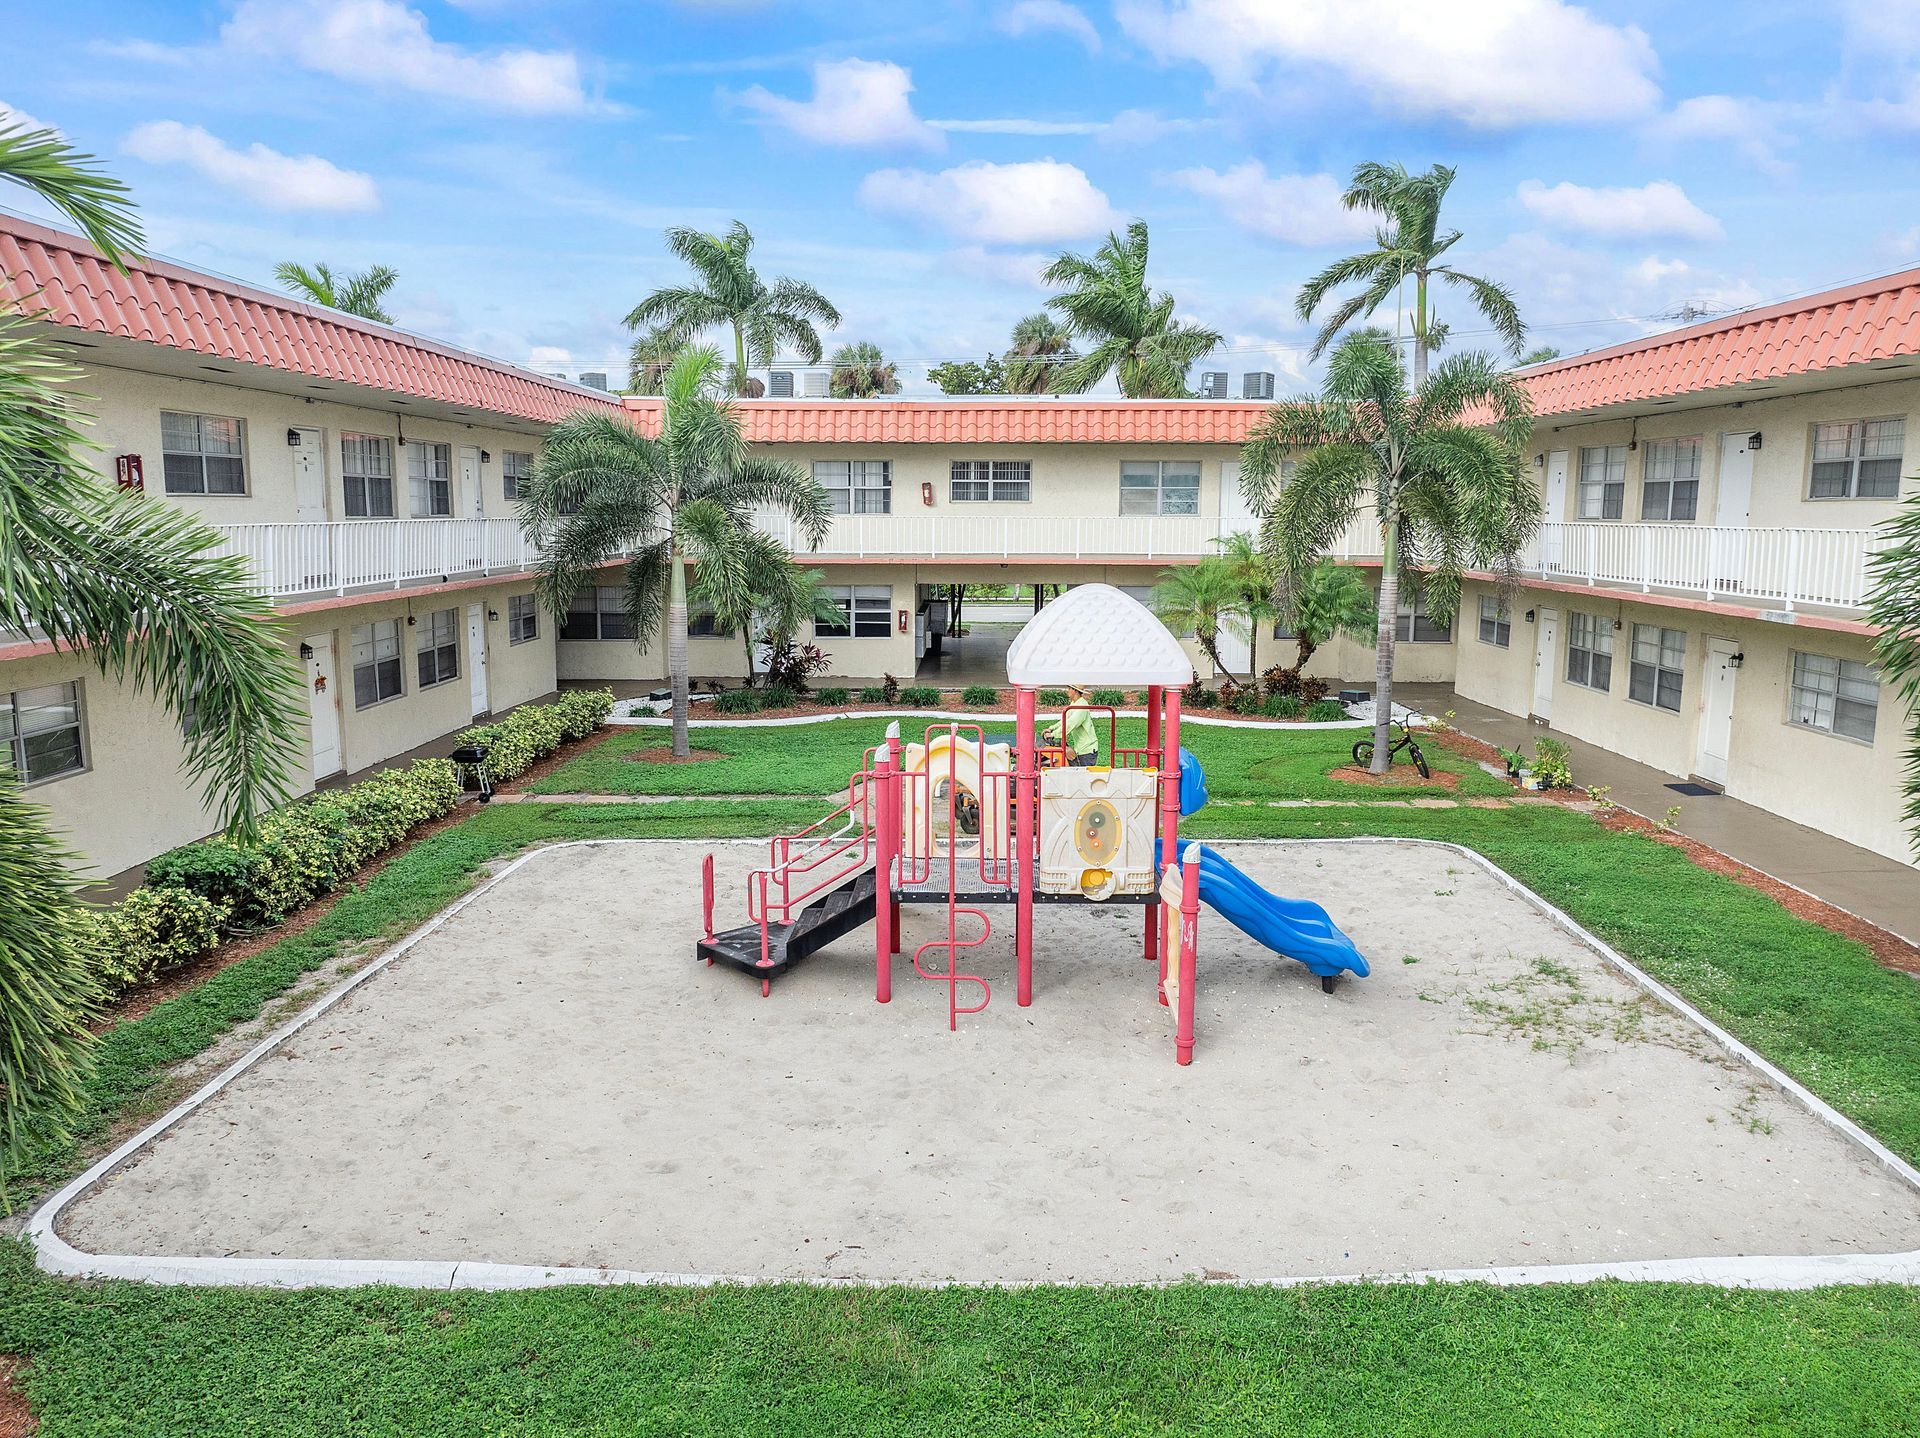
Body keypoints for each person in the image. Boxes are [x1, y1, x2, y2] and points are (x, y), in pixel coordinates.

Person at [1044, 684, 1101, 766]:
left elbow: (1071, 723)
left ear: (1075, 691)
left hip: (1087, 749)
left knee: (1083, 776)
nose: (1068, 691)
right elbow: (1065, 719)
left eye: (1069, 689)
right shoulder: (1074, 703)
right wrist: (1051, 728)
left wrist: (1053, 734)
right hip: (1081, 747)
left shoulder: (1082, 706)